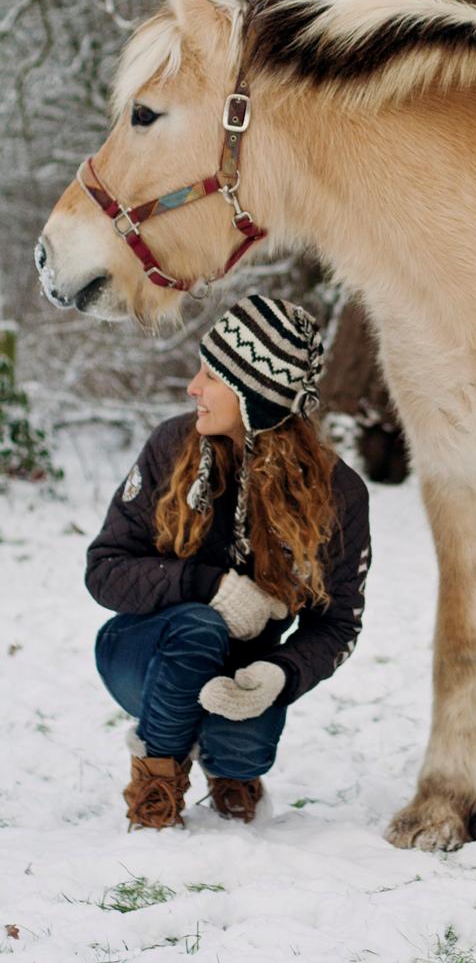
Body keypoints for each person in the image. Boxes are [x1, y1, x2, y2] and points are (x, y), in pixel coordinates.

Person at [86, 295, 371, 829]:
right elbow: (104, 569)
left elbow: (339, 624)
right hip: (140, 655)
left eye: (211, 376)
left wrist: (280, 673)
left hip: (241, 674)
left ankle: (232, 770)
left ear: (255, 395)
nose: (194, 388)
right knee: (198, 624)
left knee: (245, 747)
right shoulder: (174, 444)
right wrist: (207, 585)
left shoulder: (338, 492)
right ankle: (156, 782)